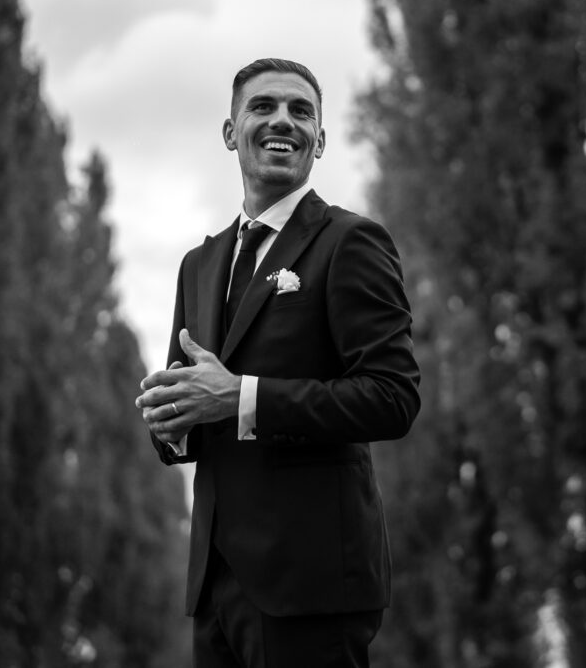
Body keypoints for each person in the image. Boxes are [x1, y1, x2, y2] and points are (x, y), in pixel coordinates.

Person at [134, 58, 420, 667]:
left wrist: (241, 397)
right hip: (213, 589)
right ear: (230, 131)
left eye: (301, 111)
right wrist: (171, 423)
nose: (282, 120)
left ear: (321, 140)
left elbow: (393, 397)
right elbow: (192, 404)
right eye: (262, 106)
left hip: (311, 585)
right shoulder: (197, 265)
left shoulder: (352, 242)